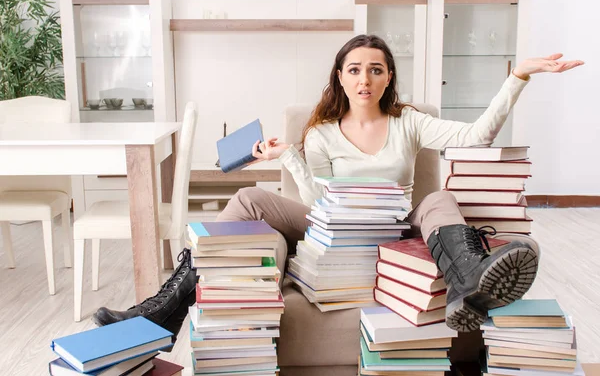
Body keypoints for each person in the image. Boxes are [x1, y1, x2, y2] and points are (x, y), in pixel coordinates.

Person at [92, 35, 583, 337]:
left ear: (389, 77)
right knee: (246, 198)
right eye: (355, 69)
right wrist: (291, 157)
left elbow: (478, 137)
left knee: (438, 197)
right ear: (341, 78)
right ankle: (163, 310)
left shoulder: (409, 121)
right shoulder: (322, 131)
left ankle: (468, 286)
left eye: (376, 69)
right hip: (335, 230)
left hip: (398, 229)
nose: (365, 78)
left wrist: (518, 75)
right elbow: (313, 203)